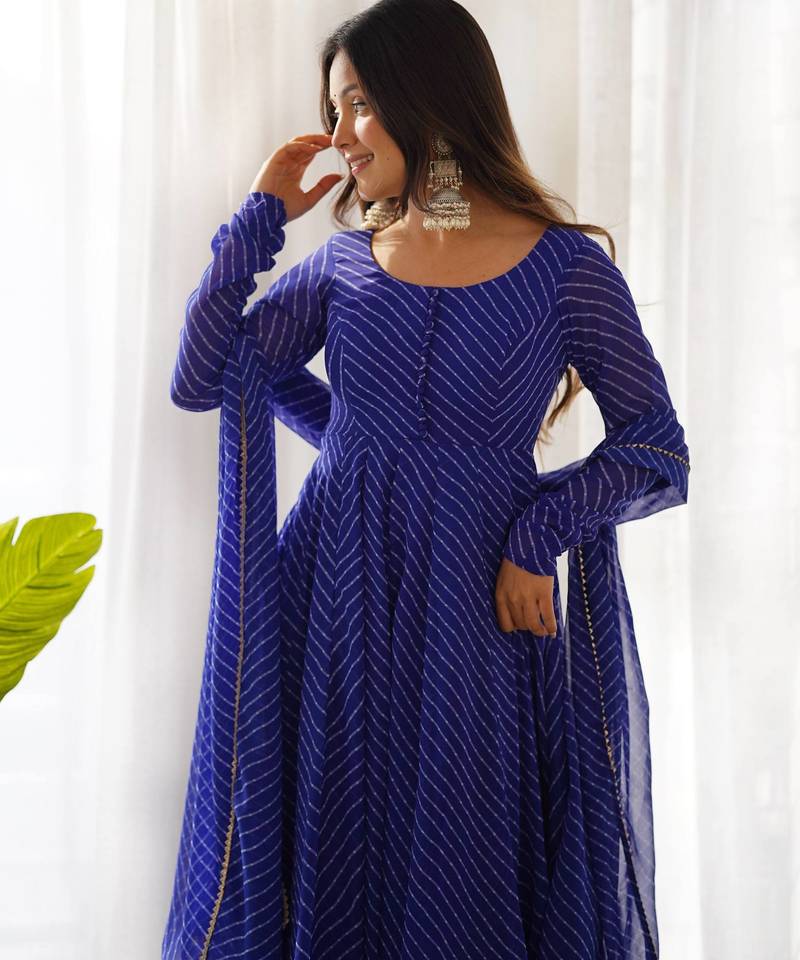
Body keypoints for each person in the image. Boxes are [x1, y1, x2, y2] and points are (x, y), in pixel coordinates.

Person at [163, 2, 690, 958]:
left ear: (431, 97)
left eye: (359, 104)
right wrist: (258, 219)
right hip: (333, 596)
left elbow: (657, 449)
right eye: (332, 109)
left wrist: (537, 536)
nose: (339, 135)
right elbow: (207, 376)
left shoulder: (566, 270)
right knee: (334, 842)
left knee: (462, 854)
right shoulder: (346, 263)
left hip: (480, 610)